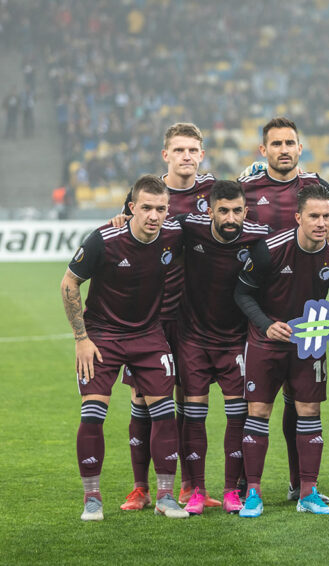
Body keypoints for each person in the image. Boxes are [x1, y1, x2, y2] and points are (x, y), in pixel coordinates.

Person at [239, 116, 329, 504]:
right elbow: (213, 214)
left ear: (299, 147)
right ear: (264, 151)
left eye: (289, 143)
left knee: (304, 407)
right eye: (275, 144)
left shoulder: (318, 188)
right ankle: (248, 488)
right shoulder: (246, 187)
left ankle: (303, 486)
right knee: (248, 408)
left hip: (307, 321)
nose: (283, 149)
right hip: (261, 306)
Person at [61, 175, 188, 521]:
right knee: (92, 414)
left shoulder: (174, 235)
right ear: (131, 208)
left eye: (161, 209)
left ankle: (165, 496)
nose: (154, 215)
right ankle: (92, 499)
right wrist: (81, 339)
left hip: (149, 336)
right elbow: (70, 282)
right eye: (146, 208)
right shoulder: (105, 239)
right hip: (102, 336)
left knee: (164, 414)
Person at [117, 122, 220, 511]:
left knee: (190, 401)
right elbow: (124, 232)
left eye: (193, 150)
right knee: (143, 399)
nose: (187, 157)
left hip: (196, 316)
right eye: (179, 150)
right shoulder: (147, 193)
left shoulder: (212, 193)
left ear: (202, 154)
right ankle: (141, 488)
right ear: (166, 155)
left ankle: (192, 487)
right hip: (151, 316)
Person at [234, 184, 329, 517]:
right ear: (298, 217)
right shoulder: (270, 249)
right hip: (266, 340)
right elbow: (243, 294)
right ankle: (253, 493)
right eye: (313, 216)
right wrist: (266, 323)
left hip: (309, 340)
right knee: (258, 413)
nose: (321, 222)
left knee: (310, 412)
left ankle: (307, 493)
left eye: (327, 216)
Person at [173, 180, 268, 514]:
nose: (231, 218)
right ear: (209, 210)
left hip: (235, 341)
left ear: (246, 210)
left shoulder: (259, 236)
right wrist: (118, 219)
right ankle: (196, 491)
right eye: (223, 211)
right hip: (193, 339)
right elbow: (149, 226)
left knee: (237, 415)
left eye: (237, 211)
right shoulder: (189, 227)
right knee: (194, 415)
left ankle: (231, 491)